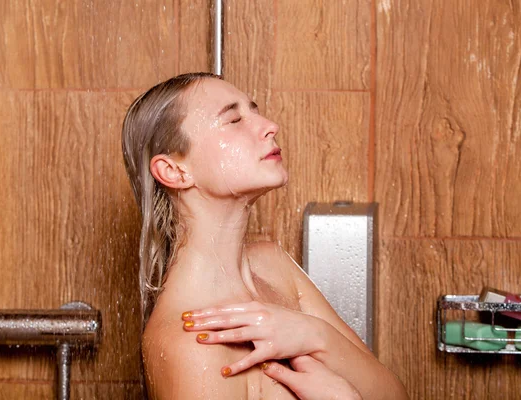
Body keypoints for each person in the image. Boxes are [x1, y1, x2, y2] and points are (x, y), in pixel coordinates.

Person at [122, 72, 408, 399]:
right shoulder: (192, 342)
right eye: (233, 119)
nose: (269, 125)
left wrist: (314, 335)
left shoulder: (273, 266)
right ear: (174, 171)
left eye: (254, 111)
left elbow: (395, 394)